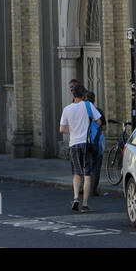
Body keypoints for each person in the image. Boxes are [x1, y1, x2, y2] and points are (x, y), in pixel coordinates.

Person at [59, 84, 101, 213]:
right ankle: (85, 204)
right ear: (83, 95)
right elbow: (99, 121)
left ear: (73, 95)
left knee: (76, 173)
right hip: (86, 143)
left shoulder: (67, 109)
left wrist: (71, 131)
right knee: (87, 174)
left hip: (74, 143)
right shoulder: (88, 105)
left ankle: (76, 197)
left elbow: (61, 129)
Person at [84, 89, 104, 197]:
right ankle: (94, 189)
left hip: (84, 142)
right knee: (96, 165)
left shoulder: (82, 110)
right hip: (96, 142)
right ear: (94, 100)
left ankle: (84, 187)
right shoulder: (98, 111)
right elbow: (103, 126)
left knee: (86, 165)